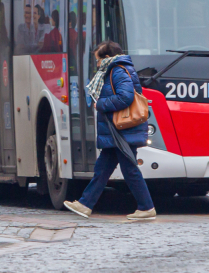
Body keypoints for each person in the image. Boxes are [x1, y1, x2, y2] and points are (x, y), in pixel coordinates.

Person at [63, 41, 156, 221]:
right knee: (103, 169)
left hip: (122, 129)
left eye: (97, 60)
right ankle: (85, 204)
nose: (96, 65)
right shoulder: (114, 70)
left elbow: (126, 96)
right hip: (117, 130)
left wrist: (102, 104)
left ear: (106, 58)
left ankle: (147, 207)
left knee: (129, 168)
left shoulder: (117, 71)